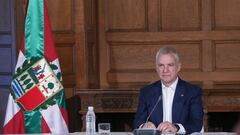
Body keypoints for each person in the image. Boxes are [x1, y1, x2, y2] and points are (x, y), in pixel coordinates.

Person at [133, 46, 204, 134]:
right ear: (156, 68)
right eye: (161, 65)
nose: (165, 70)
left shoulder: (192, 92)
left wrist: (176, 127)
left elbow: (197, 123)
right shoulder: (146, 92)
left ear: (178, 67)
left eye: (170, 65)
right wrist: (144, 126)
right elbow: (137, 121)